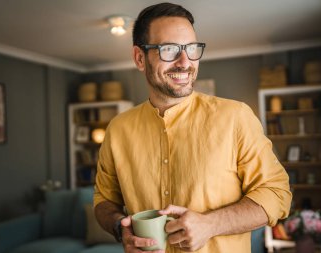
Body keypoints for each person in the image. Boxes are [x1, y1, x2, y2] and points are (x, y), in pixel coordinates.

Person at [94, 2, 292, 253]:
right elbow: (104, 200)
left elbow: (277, 194)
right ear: (139, 58)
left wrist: (211, 224)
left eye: (191, 48)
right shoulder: (117, 129)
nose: (185, 62)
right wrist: (119, 228)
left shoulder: (236, 117)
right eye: (169, 49)